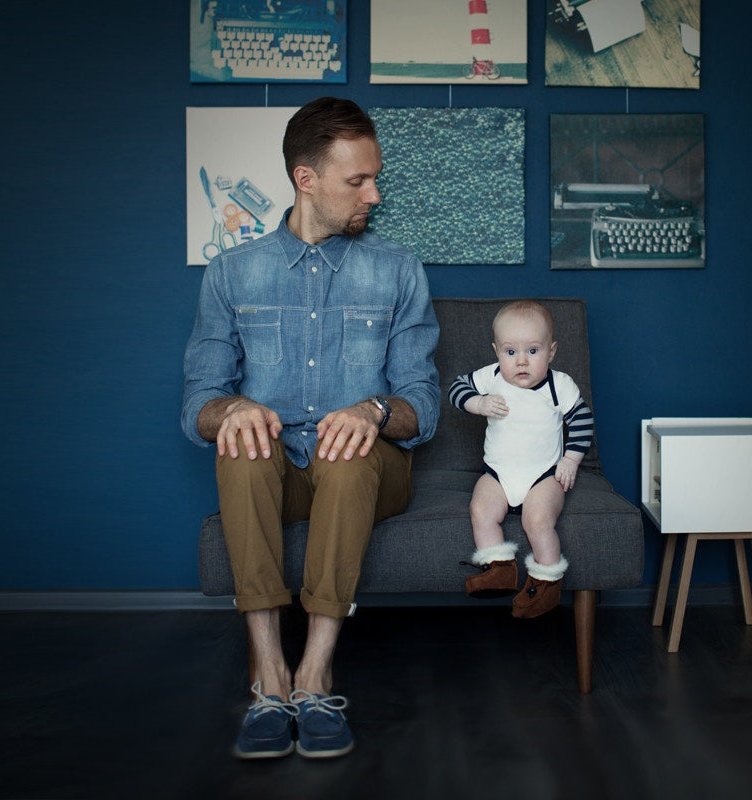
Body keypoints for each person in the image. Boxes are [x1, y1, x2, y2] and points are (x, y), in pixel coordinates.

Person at [181, 97, 440, 760]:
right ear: (306, 180)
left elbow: (423, 404)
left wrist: (373, 411)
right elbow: (198, 405)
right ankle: (270, 678)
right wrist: (231, 411)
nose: (375, 195)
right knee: (241, 447)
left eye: (374, 178)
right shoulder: (232, 272)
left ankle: (316, 672)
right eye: (359, 181)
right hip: (278, 473)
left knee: (346, 449)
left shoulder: (397, 269)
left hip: (369, 473)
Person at [447, 300, 594, 619]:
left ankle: (546, 582)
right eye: (511, 352)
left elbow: (582, 420)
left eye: (533, 351)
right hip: (498, 474)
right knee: (481, 509)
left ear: (551, 352)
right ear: (496, 350)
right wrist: (478, 403)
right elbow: (457, 388)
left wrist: (570, 459)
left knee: (537, 520)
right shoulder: (492, 377)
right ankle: (499, 569)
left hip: (544, 476)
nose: (522, 361)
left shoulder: (559, 385)